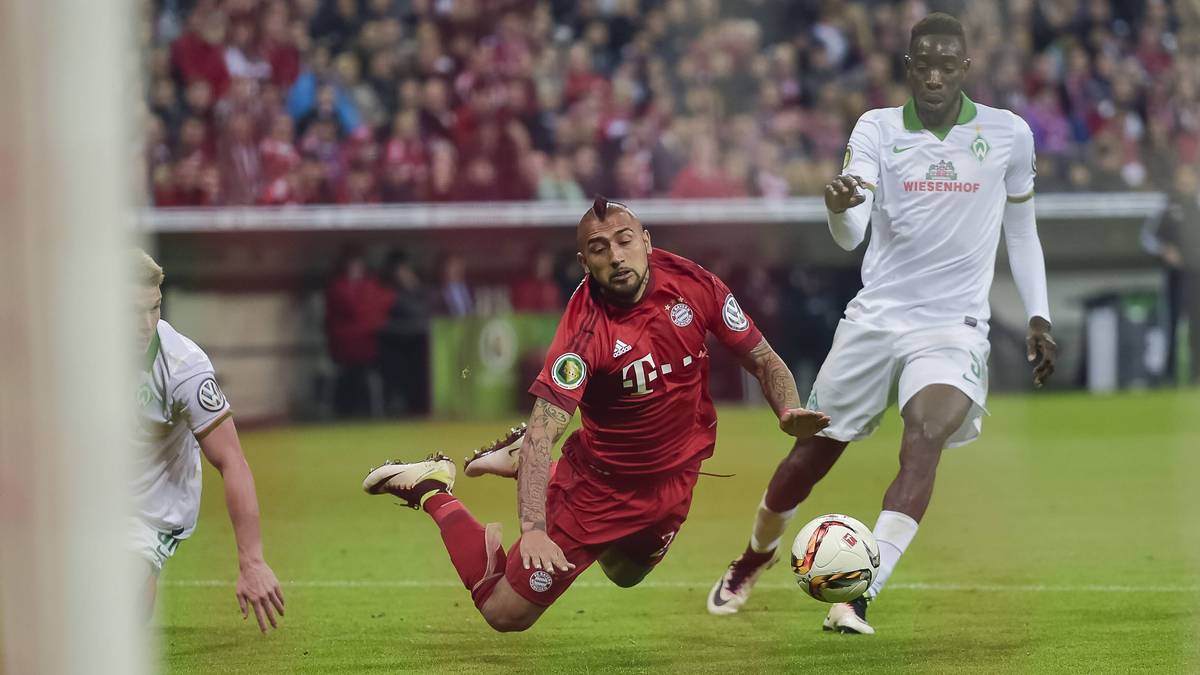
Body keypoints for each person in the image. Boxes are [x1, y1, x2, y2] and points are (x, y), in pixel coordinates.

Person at [707, 13, 1058, 634]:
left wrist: (1039, 315)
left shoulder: (1009, 135)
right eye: (922, 64)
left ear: (965, 68)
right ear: (908, 66)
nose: (933, 76)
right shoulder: (878, 128)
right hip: (877, 318)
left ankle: (857, 597)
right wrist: (838, 209)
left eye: (946, 65)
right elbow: (852, 234)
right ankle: (753, 557)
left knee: (923, 440)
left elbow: (1021, 231)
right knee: (812, 456)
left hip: (955, 326)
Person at [361, 198, 830, 632]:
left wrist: (787, 408)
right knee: (505, 614)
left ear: (646, 242)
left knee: (626, 575)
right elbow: (545, 428)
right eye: (599, 249)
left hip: (676, 479)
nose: (616, 257)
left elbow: (763, 358)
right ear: (585, 263)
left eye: (625, 241)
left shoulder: (692, 283)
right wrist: (534, 530)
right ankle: (433, 489)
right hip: (599, 488)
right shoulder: (585, 334)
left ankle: (524, 461)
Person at [132, 249, 283, 631]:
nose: (146, 323)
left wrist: (252, 561)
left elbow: (232, 461)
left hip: (150, 509)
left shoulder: (184, 367)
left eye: (155, 308)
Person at [1141, 166, 1200, 385]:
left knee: (1197, 325)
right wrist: (1164, 250)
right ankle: (1170, 373)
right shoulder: (1166, 207)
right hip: (1176, 276)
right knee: (1172, 323)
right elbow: (1147, 237)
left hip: (1197, 275)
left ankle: (1196, 374)